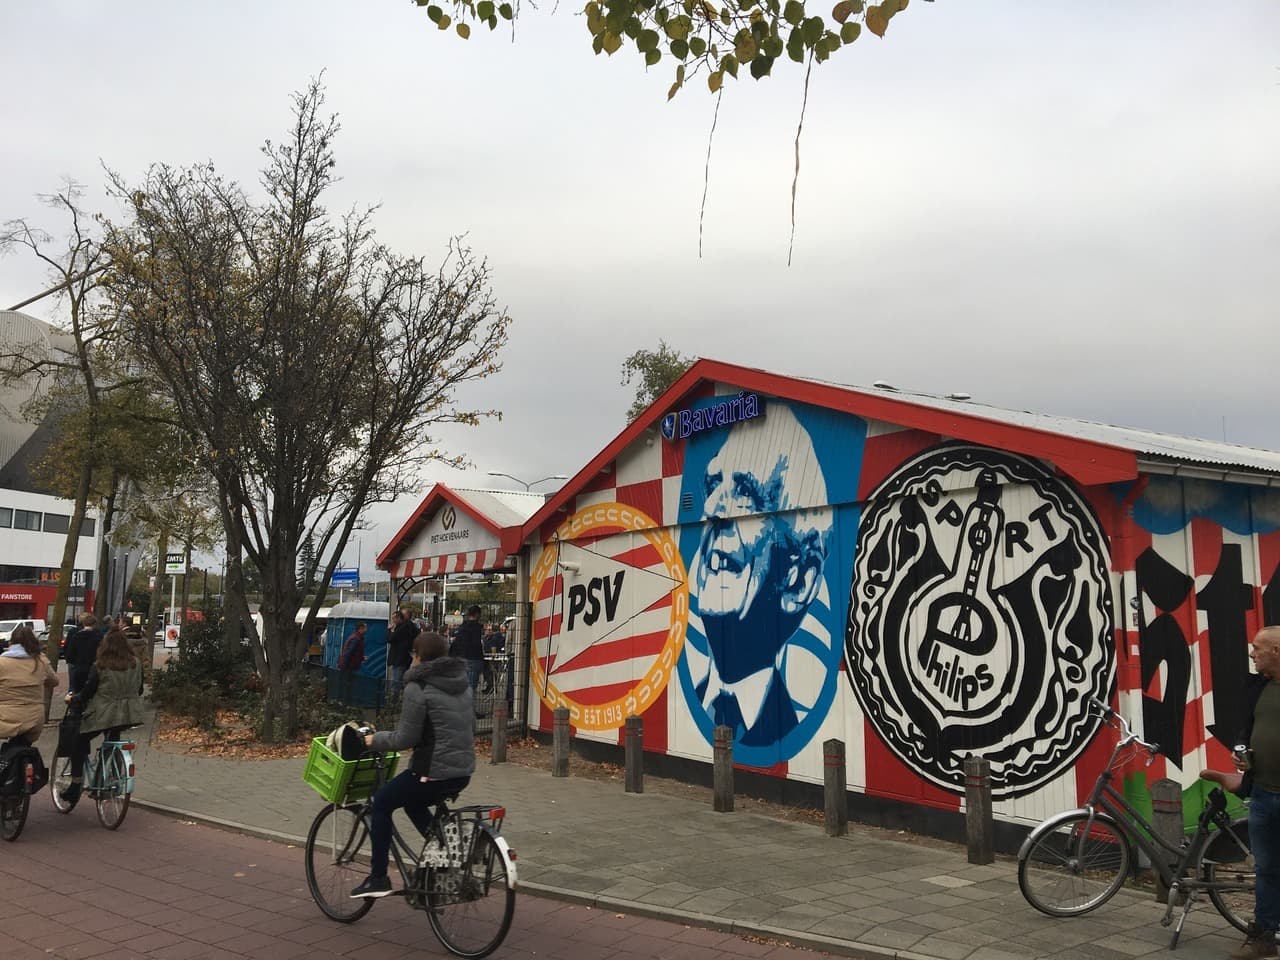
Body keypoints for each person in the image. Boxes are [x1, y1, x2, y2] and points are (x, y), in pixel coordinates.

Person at [687, 403, 834, 747]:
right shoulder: (692, 698)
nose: (710, 509)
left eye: (743, 494)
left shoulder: (783, 726)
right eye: (712, 487)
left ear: (798, 580)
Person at [350, 631, 475, 898]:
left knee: (382, 803)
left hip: (432, 771)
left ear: (418, 658)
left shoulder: (418, 688)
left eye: (413, 655)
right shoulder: (463, 684)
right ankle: (443, 853)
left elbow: (406, 738)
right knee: (413, 802)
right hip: (462, 770)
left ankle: (378, 877)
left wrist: (373, 740)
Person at [1214, 625, 1280, 960]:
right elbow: (1246, 728)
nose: (1252, 653)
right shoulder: (1257, 687)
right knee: (1266, 868)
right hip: (1264, 794)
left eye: (1257, 648)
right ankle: (1264, 938)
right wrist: (1242, 750)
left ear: (1277, 651)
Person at [62, 628, 145, 804]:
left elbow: (87, 693)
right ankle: (104, 778)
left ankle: (75, 785)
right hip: (129, 714)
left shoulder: (100, 666)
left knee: (79, 740)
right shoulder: (136, 663)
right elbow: (140, 689)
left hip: (103, 714)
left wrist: (73, 698)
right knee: (113, 737)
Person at [0, 625, 58, 747]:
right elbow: (54, 682)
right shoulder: (41, 661)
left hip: (5, 718)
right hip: (34, 719)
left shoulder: (2, 662)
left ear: (11, 642)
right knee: (23, 744)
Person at [63, 613, 103, 693]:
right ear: (94, 624)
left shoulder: (76, 636)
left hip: (79, 667)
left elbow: (70, 653)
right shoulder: (99, 636)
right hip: (93, 668)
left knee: (76, 689)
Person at [449, 606, 485, 693]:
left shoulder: (462, 627)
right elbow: (476, 643)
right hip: (474, 658)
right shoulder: (476, 628)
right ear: (477, 614)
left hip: (462, 658)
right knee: (471, 687)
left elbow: (456, 643)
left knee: (463, 687)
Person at [386, 611, 420, 698]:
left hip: (398, 658)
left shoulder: (402, 628)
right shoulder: (411, 627)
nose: (393, 620)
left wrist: (390, 630)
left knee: (396, 680)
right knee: (402, 679)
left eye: (394, 618)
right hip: (405, 657)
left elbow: (390, 639)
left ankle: (394, 700)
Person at [337, 622, 367, 703]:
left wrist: (361, 658)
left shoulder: (354, 637)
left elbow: (352, 652)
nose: (366, 630)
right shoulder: (356, 639)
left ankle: (344, 701)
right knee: (348, 684)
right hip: (349, 666)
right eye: (365, 628)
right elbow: (349, 652)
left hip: (348, 664)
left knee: (347, 684)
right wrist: (344, 665)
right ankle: (346, 702)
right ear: (361, 628)